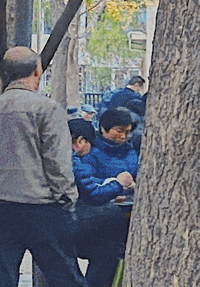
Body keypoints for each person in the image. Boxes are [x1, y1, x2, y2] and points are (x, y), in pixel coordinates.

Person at [0, 46, 85, 287]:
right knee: (64, 275)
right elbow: (57, 161)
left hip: (1, 205)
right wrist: (67, 196)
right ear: (37, 71)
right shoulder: (47, 109)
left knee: (2, 276)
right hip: (42, 205)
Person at [69, 111, 137, 287]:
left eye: (127, 132)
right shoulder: (77, 160)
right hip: (72, 221)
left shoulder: (130, 150)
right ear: (81, 141)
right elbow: (93, 193)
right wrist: (117, 185)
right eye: (119, 130)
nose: (124, 136)